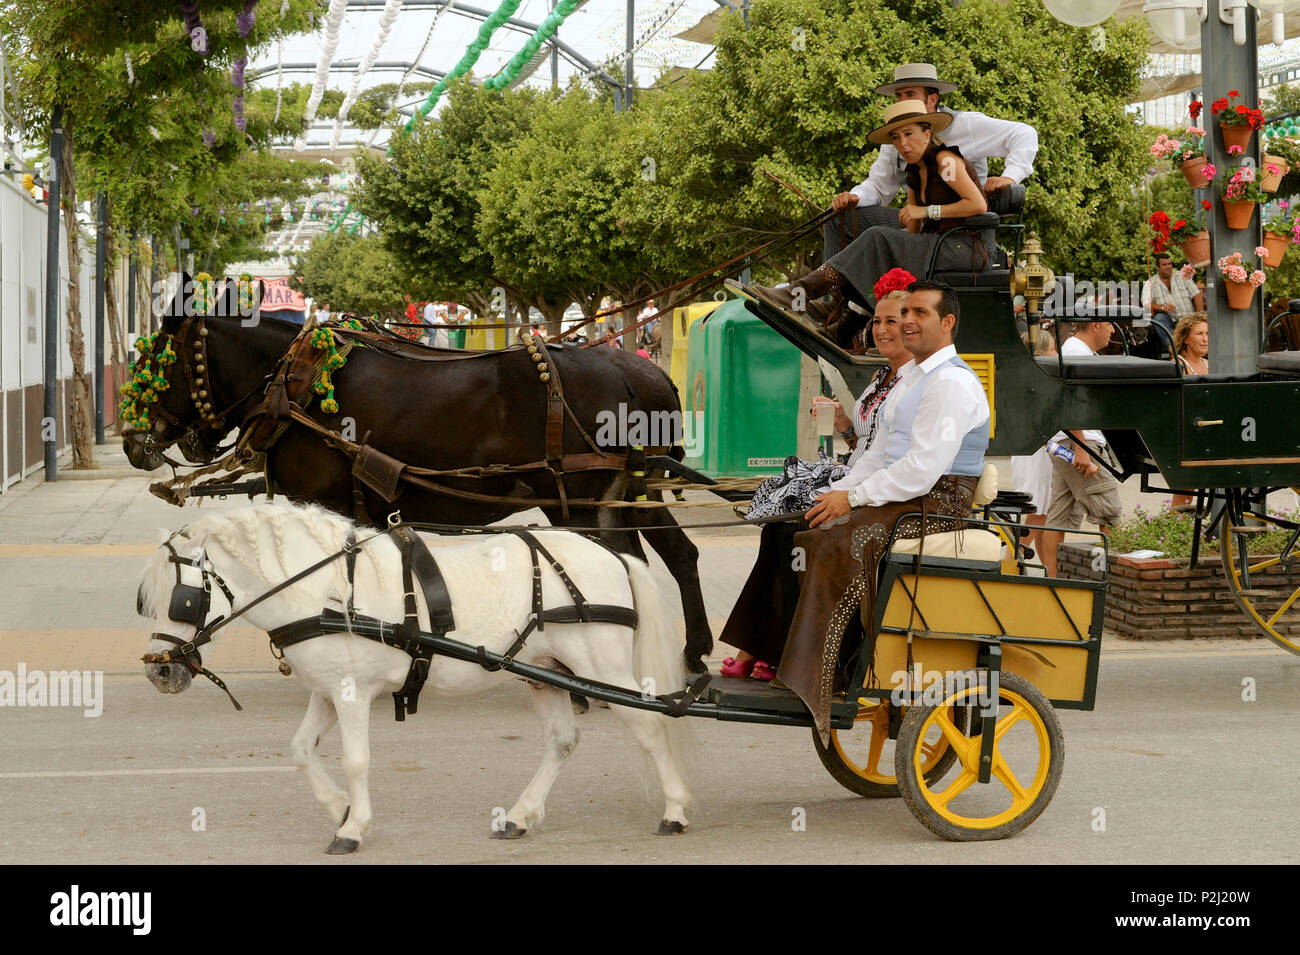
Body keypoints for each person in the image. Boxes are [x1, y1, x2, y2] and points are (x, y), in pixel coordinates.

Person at [719, 280, 990, 740]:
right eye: (906, 313)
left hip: (939, 502)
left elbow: (922, 469)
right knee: (794, 526)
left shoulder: (951, 382)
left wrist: (853, 499)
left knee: (833, 541)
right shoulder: (915, 379)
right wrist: (836, 492)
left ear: (947, 324)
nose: (907, 321)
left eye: (919, 313)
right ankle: (778, 652)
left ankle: (825, 678)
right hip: (907, 494)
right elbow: (878, 455)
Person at [727, 270, 917, 682]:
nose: (881, 330)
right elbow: (866, 444)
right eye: (878, 321)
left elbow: (894, 462)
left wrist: (841, 492)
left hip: (877, 491)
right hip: (855, 475)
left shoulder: (914, 383)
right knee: (776, 526)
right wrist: (845, 424)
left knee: (792, 527)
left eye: (893, 322)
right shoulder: (880, 378)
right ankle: (762, 646)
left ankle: (777, 651)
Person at [740, 101, 990, 342]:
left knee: (877, 236)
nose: (903, 144)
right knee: (879, 246)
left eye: (909, 134)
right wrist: (901, 235)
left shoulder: (945, 161)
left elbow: (978, 204)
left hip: (964, 248)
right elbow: (913, 232)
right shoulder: (913, 171)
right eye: (896, 138)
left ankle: (797, 295)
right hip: (935, 243)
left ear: (927, 134)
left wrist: (925, 213)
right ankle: (843, 323)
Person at [825, 63, 1038, 257]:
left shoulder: (966, 126)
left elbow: (1024, 134)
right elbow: (879, 188)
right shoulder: (897, 139)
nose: (902, 101)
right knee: (837, 217)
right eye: (898, 96)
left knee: (878, 235)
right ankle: (835, 297)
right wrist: (854, 198)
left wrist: (1010, 176)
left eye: (910, 94)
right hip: (920, 220)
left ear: (932, 99)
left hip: (962, 224)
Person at [1038, 319, 1123, 577]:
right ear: (1095, 325)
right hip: (1079, 441)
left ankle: (1052, 582)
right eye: (1109, 325)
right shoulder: (1076, 352)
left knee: (1060, 517)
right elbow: (1069, 402)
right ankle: (1110, 582)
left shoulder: (1076, 350)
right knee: (1110, 512)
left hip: (1068, 441)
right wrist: (1081, 447)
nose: (1113, 330)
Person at [1010, 332, 1058, 555]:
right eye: (1052, 349)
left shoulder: (1021, 378)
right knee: (1037, 513)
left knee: (1042, 514)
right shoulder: (1036, 381)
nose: (1056, 354)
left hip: (1028, 452)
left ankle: (1048, 572)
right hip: (1038, 454)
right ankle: (1009, 561)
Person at [1142, 253, 1205, 351]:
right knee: (1159, 318)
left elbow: (1196, 294)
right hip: (1170, 320)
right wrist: (1162, 307)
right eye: (1164, 264)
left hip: (1188, 317)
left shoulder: (1181, 275)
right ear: (1157, 267)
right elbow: (1146, 304)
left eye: (1169, 264)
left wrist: (1200, 316)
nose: (1168, 267)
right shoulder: (1150, 282)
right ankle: (1175, 349)